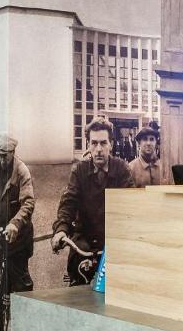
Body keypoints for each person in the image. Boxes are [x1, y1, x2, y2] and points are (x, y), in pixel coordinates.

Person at [52, 116, 134, 284]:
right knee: (77, 282)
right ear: (88, 145)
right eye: (94, 143)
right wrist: (61, 230)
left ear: (111, 144)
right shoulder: (79, 170)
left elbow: (130, 207)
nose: (98, 149)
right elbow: (69, 202)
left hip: (112, 240)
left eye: (103, 143)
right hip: (84, 239)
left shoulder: (122, 169)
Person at [0, 133, 35, 296]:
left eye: (5, 156)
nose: (2, 159)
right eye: (0, 155)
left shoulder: (22, 171)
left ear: (13, 152)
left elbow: (28, 203)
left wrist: (15, 223)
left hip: (19, 231)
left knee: (19, 278)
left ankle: (21, 312)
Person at [128, 122, 160, 187]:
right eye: (145, 139)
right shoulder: (130, 168)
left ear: (156, 143)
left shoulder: (163, 167)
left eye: (152, 139)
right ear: (139, 143)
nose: (148, 143)